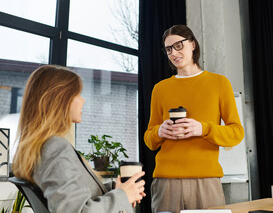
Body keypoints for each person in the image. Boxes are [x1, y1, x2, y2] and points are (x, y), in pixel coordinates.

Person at [12, 65, 145, 213]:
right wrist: (123, 195)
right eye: (78, 95)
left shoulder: (43, 147)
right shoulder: (55, 148)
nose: (83, 100)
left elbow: (75, 196)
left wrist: (117, 189)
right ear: (61, 100)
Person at [144, 25, 245, 213]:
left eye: (178, 45)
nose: (174, 53)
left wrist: (204, 129)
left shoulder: (219, 83)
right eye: (169, 49)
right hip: (166, 183)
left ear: (192, 44)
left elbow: (236, 132)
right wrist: (159, 131)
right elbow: (149, 140)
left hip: (206, 183)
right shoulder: (160, 89)